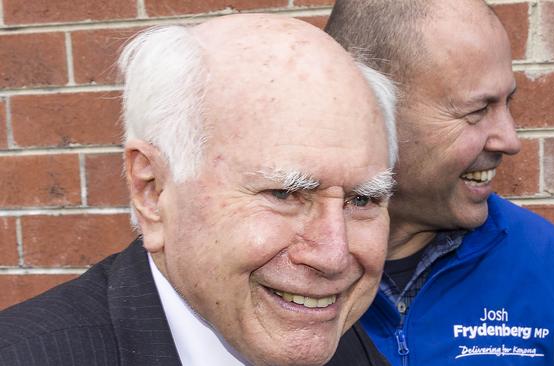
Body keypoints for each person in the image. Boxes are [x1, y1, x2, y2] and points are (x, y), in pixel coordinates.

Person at [0, 14, 398, 366]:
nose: (333, 254)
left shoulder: (351, 348)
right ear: (152, 191)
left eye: (362, 200)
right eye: (284, 194)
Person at [325, 0, 554, 364]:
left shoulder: (547, 263)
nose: (510, 140)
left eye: (508, 103)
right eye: (477, 111)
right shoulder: (276, 265)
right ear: (368, 103)